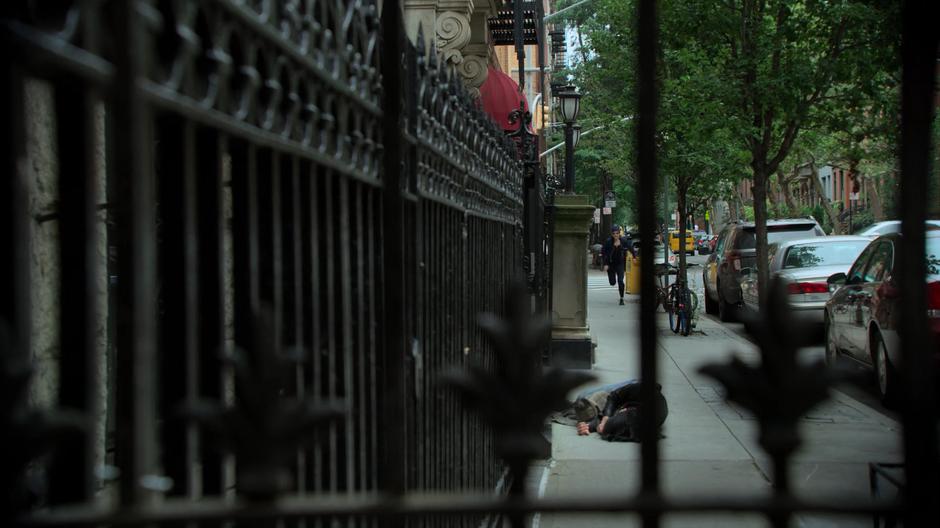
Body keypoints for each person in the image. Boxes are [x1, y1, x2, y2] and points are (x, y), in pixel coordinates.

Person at [573, 381, 668, 442]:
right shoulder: (641, 391)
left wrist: (589, 426)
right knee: (584, 396)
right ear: (626, 409)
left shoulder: (635, 425)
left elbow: (616, 426)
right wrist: (605, 419)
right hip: (636, 386)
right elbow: (613, 397)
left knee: (583, 401)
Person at [602, 225, 636, 305]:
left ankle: (621, 298)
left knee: (620, 281)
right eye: (614, 233)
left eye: (617, 233)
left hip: (620, 264)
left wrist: (634, 257)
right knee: (612, 282)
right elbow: (604, 253)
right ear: (612, 234)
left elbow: (630, 248)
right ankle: (612, 280)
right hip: (611, 264)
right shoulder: (608, 242)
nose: (615, 235)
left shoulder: (623, 241)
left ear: (619, 233)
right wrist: (605, 264)